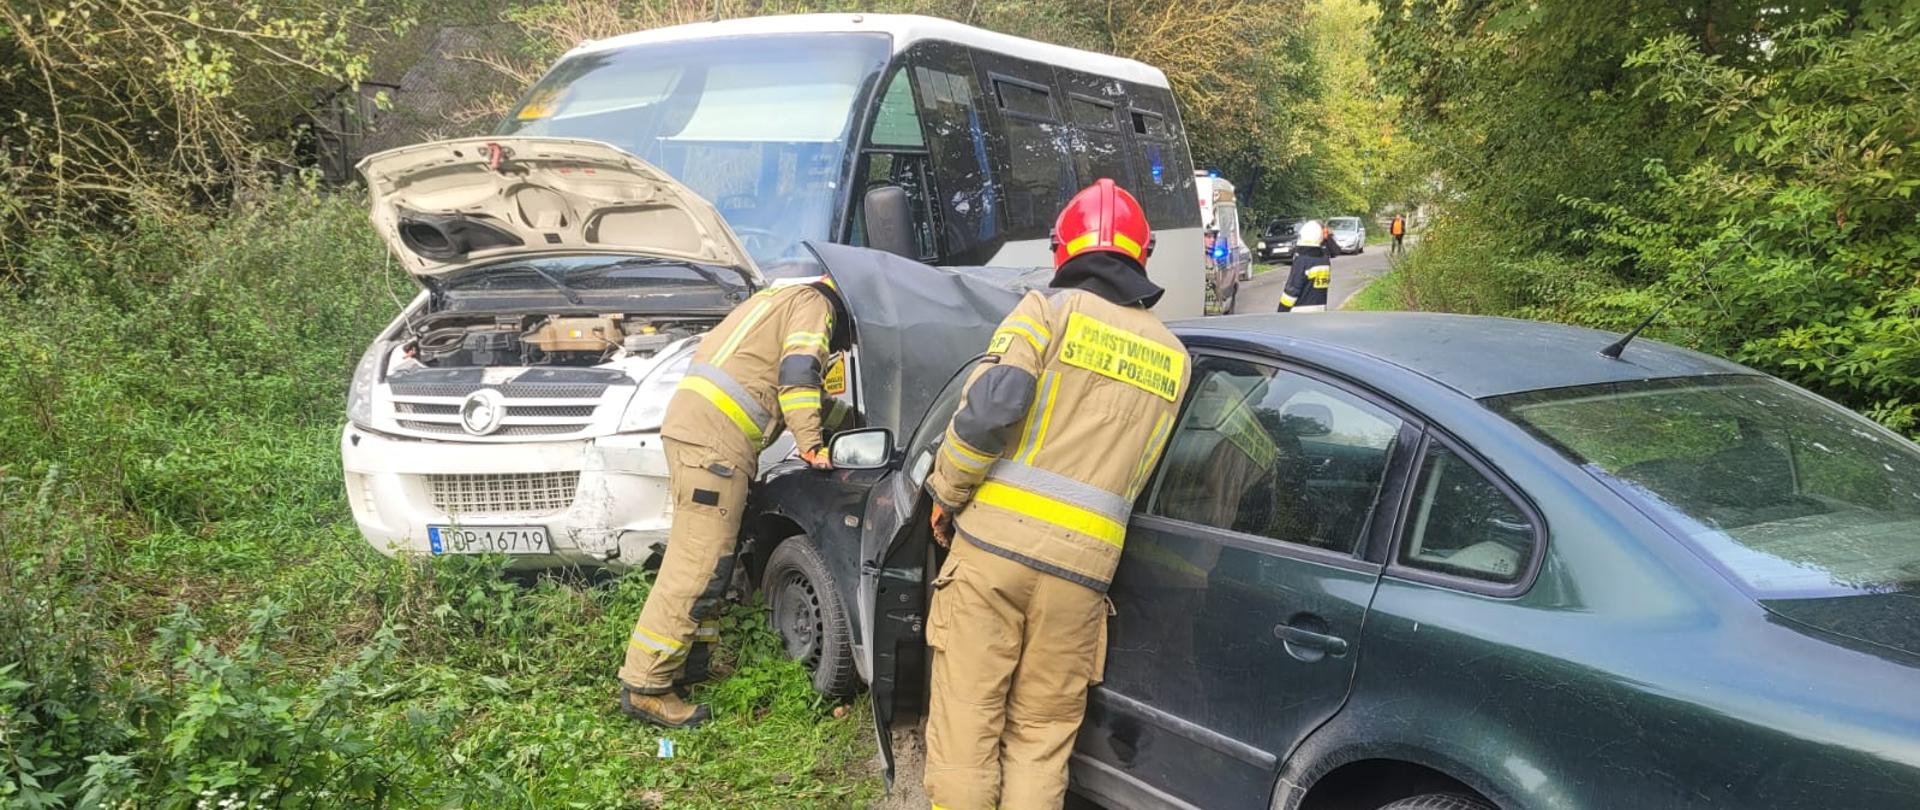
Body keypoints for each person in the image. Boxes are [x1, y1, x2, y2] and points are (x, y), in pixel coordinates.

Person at [920, 179, 1192, 810]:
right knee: (1041, 738)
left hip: (992, 554)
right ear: (1142, 252)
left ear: (1061, 248)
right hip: (1083, 575)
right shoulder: (1174, 357)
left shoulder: (1047, 310)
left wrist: (946, 490)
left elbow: (993, 409)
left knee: (967, 721)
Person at [616, 274, 849, 728]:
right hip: (715, 446)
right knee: (698, 565)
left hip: (701, 434)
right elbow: (799, 376)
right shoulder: (815, 305)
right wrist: (813, 444)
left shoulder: (779, 296)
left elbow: (781, 378)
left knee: (713, 563)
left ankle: (689, 667)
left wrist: (850, 418)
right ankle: (646, 685)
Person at [1279, 219, 1333, 313]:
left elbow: (1293, 289)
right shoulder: (1324, 260)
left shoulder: (1302, 260)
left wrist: (1281, 311)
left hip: (1299, 313)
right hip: (1320, 309)